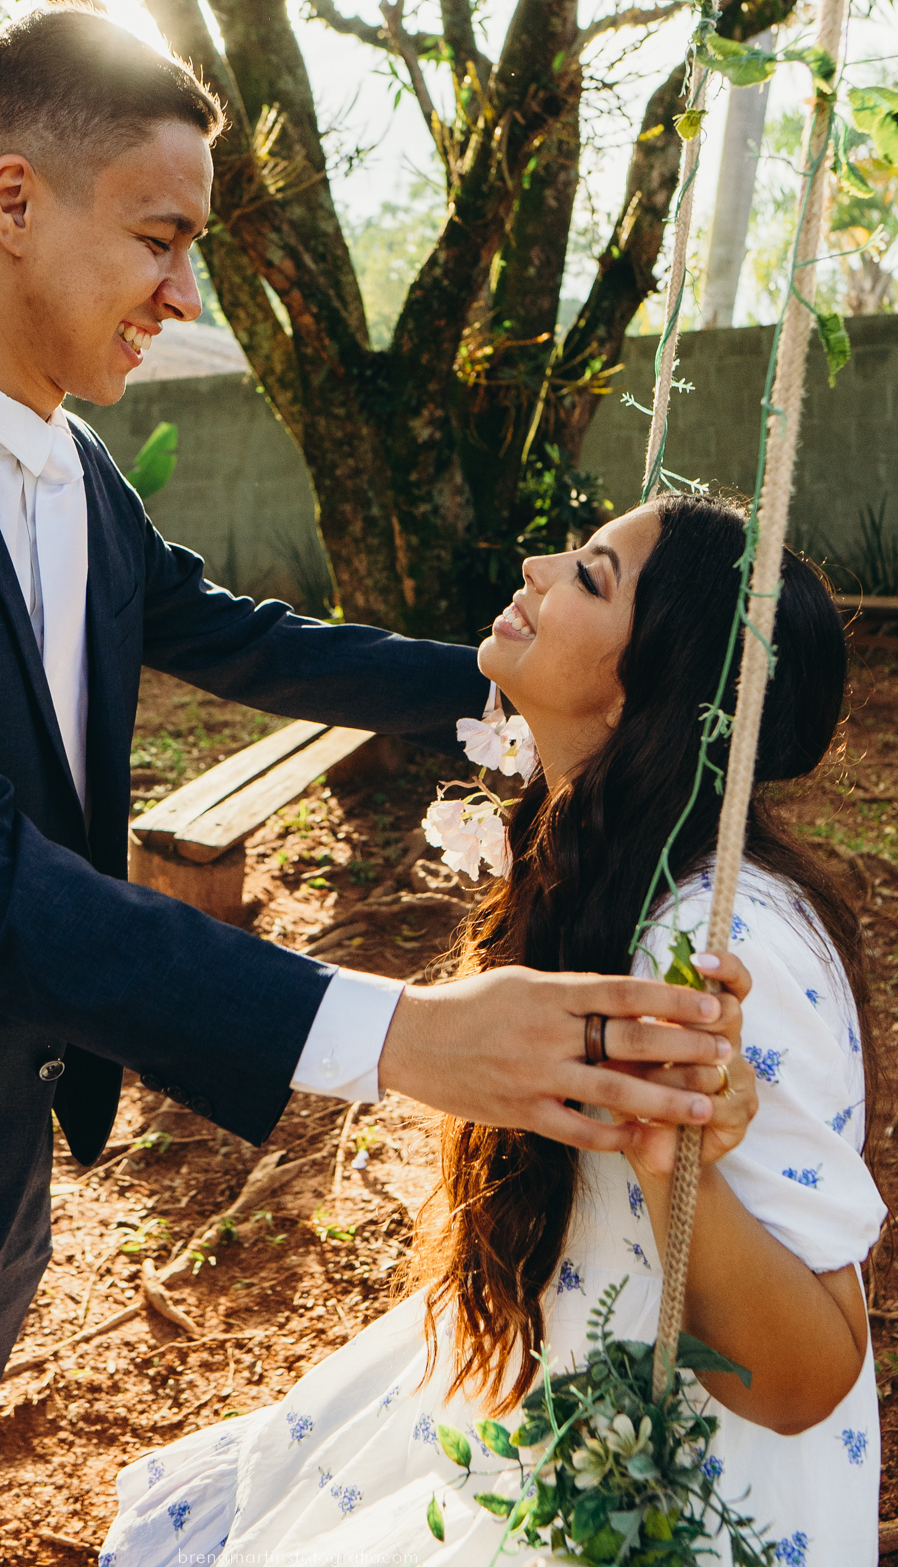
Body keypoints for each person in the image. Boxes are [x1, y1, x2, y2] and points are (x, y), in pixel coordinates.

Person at [0, 8, 729, 1567]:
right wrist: (399, 1035)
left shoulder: (79, 473)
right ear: (16, 203)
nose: (184, 297)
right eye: (162, 239)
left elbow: (236, 637)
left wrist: (504, 675)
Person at [103, 495, 885, 1567]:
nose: (536, 560)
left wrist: (671, 1167)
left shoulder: (715, 951)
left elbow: (812, 1370)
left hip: (672, 1500)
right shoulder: (595, 858)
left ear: (642, 696)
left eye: (592, 574)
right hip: (560, 1406)